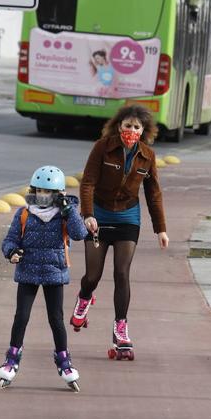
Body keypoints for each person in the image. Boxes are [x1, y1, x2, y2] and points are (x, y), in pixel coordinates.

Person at [70, 104, 169, 360]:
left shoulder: (147, 155)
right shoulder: (102, 147)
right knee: (93, 275)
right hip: (99, 216)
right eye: (127, 125)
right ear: (119, 126)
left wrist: (160, 229)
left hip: (128, 217)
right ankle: (84, 297)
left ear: (143, 130)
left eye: (137, 127)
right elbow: (88, 182)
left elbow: (153, 194)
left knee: (122, 273)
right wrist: (88, 214)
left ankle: (121, 328)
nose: (131, 131)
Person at [0, 165, 88, 392]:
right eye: (39, 190)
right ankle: (12, 358)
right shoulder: (24, 213)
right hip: (28, 270)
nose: (42, 195)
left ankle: (64, 361)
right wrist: (12, 252)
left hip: (54, 272)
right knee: (21, 316)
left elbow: (79, 234)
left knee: (56, 319)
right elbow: (10, 240)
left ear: (58, 193)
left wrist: (68, 210)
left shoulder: (65, 213)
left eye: (48, 191)